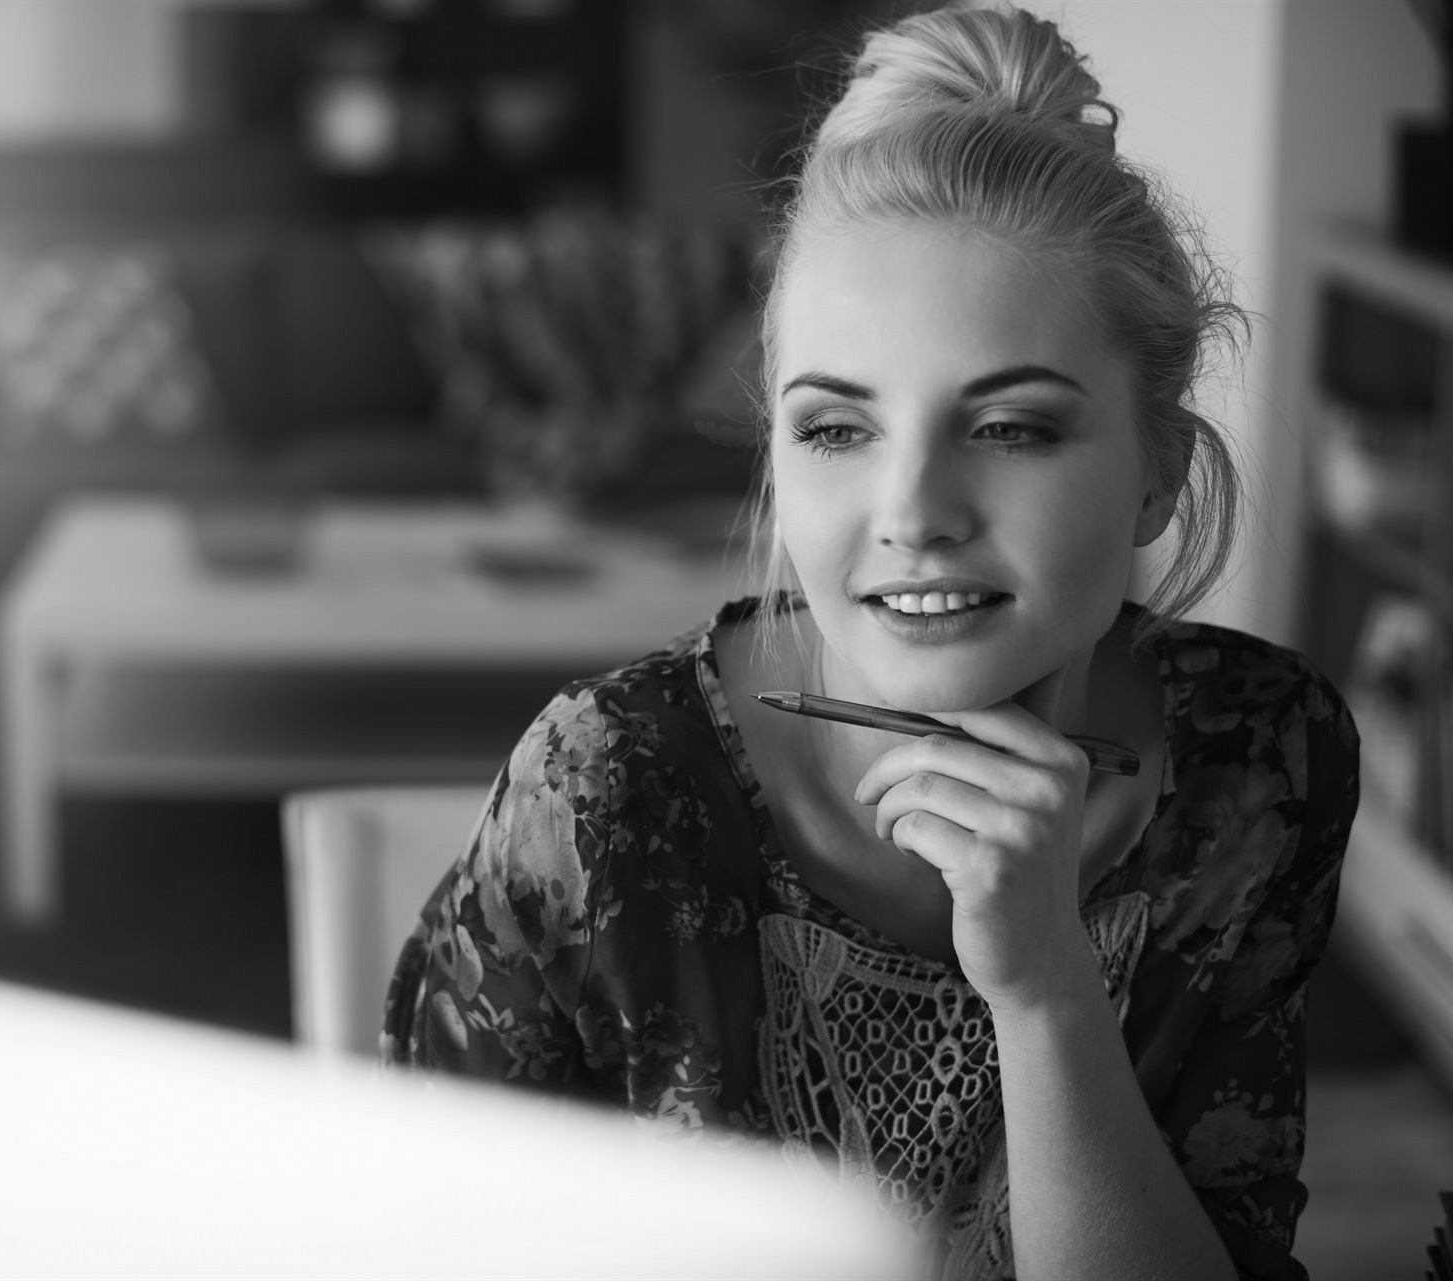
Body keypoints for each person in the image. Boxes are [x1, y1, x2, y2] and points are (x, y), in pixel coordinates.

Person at [381, 5, 1360, 1280]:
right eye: (838, 430)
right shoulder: (603, 792)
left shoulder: (1261, 766)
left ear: (1158, 474)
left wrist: (1049, 990)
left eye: (1011, 429)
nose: (912, 517)